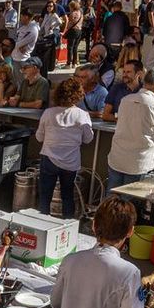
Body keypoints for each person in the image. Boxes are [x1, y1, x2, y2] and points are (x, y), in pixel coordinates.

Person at [105, 66, 154, 189]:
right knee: (130, 204)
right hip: (138, 162)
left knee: (111, 201)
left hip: (118, 158)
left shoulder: (125, 100)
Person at [34, 77, 92, 218]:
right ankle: (67, 226)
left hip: (49, 158)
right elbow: (88, 139)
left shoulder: (48, 113)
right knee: (67, 195)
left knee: (45, 196)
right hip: (70, 162)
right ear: (78, 95)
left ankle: (42, 224)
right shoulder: (82, 115)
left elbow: (39, 137)